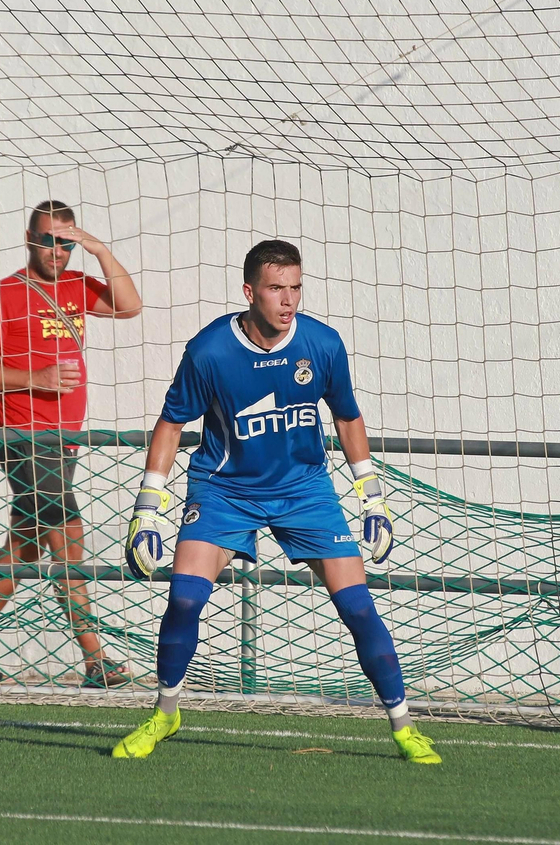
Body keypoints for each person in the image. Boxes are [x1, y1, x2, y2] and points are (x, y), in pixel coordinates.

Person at [112, 239, 440, 763]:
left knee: (357, 607)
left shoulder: (323, 344)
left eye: (295, 288)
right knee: (185, 598)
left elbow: (348, 417)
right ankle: (165, 713)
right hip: (225, 491)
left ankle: (403, 726)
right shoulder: (210, 351)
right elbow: (172, 423)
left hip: (304, 491)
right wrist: (147, 507)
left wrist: (372, 498)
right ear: (249, 292)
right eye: (275, 288)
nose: (288, 301)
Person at [0, 200, 143, 687]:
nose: (57, 251)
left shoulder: (76, 284)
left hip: (64, 441)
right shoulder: (3, 295)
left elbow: (130, 305)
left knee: (25, 546)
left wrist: (96, 249)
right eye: (47, 240)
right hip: (25, 438)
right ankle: (94, 657)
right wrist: (38, 378)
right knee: (67, 538)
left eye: (66, 241)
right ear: (28, 239)